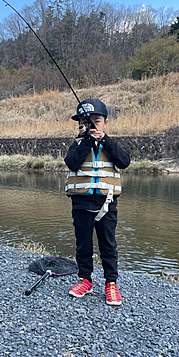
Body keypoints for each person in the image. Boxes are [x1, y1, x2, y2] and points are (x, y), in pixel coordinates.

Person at [64, 99, 130, 305]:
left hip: (106, 202)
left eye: (96, 121)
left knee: (108, 245)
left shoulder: (111, 145)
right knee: (83, 244)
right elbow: (72, 163)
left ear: (106, 123)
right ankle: (85, 280)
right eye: (86, 122)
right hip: (81, 202)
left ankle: (111, 283)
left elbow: (124, 162)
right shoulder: (77, 144)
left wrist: (105, 141)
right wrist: (86, 141)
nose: (92, 126)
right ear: (80, 125)